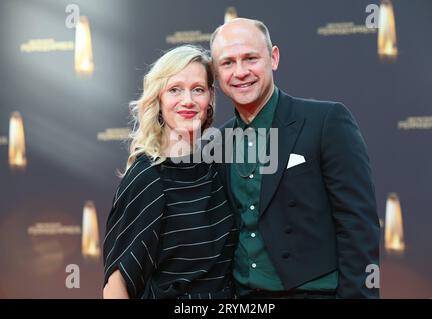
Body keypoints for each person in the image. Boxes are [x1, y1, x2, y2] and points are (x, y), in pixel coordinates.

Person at [210, 18, 380, 299]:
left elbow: (357, 224)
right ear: (217, 73)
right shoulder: (218, 142)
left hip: (316, 292)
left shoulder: (326, 121)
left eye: (250, 58)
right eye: (228, 63)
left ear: (273, 58)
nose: (240, 72)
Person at [102, 45, 238, 299]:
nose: (188, 100)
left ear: (210, 98)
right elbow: (116, 285)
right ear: (159, 98)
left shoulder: (217, 167)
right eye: (175, 89)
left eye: (197, 89)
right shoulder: (148, 178)